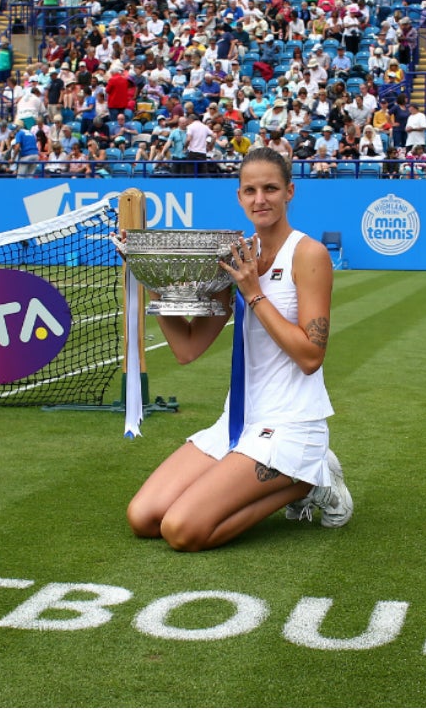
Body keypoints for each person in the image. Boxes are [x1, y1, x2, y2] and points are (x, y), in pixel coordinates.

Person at [126, 147, 352, 551]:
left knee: (181, 530)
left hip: (291, 425)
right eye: (250, 190)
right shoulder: (236, 256)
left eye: (270, 188)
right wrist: (152, 275)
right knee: (143, 517)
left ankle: (310, 479)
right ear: (239, 196)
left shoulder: (309, 254)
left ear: (289, 192)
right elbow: (188, 348)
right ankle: (293, 479)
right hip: (238, 423)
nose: (260, 199)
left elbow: (310, 357)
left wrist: (254, 293)